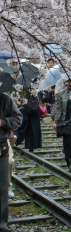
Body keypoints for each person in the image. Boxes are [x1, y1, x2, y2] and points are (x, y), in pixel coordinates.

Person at [0, 93, 23, 232]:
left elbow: (18, 118)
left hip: (1, 146)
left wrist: (2, 122)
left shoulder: (5, 99)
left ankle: (2, 222)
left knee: (2, 186)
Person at [15, 83, 42, 152]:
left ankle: (16, 140)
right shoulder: (35, 83)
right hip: (33, 107)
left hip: (23, 107)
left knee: (20, 127)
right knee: (33, 128)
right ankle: (31, 147)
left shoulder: (18, 82)